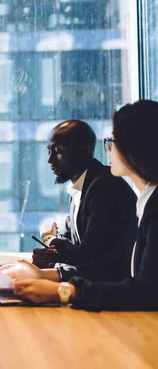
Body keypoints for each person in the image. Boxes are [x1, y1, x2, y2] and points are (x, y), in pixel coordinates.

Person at [3, 100, 158, 310]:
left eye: (112, 141)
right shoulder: (146, 202)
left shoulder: (129, 197)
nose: (108, 149)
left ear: (137, 147)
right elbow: (116, 267)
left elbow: (143, 291)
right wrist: (47, 274)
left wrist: (63, 290)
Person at [32, 120, 136, 282]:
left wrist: (48, 239)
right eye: (49, 151)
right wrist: (50, 254)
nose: (50, 160)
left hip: (114, 290)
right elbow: (71, 241)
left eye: (58, 151)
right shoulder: (81, 186)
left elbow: (87, 253)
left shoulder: (104, 186)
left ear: (84, 150)